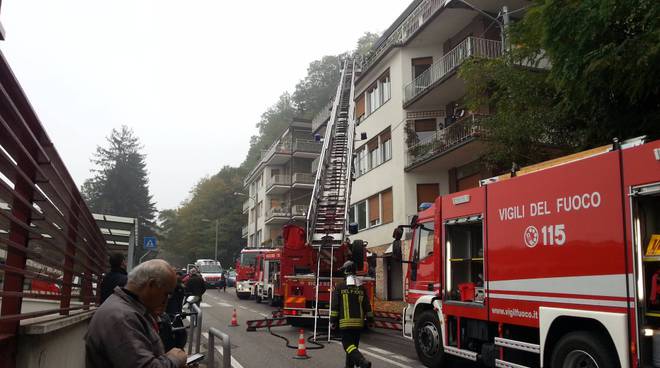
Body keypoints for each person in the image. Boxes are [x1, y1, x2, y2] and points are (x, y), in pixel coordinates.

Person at [85, 259, 187, 368]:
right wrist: (174, 359)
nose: (166, 300)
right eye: (166, 294)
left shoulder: (131, 310)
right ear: (151, 285)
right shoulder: (122, 317)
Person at [330, 260, 373, 368]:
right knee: (353, 348)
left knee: (347, 346)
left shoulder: (340, 287)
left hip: (345, 323)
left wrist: (332, 321)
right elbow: (367, 305)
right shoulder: (361, 287)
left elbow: (335, 306)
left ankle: (362, 361)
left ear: (345, 272)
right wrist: (370, 319)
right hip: (358, 324)